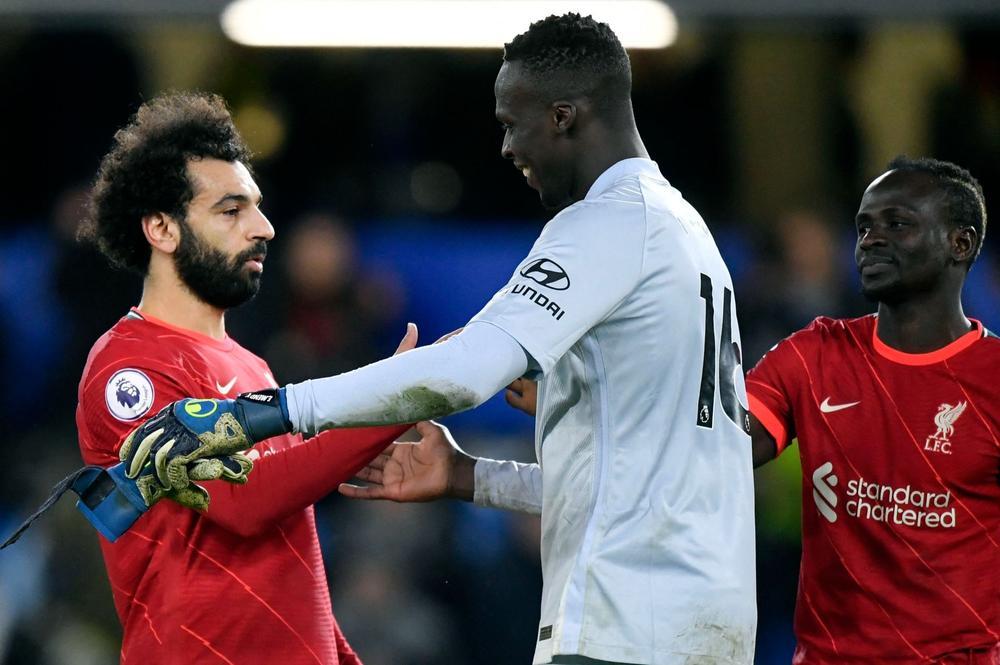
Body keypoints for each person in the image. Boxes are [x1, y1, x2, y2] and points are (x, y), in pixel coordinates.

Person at [126, 14, 758, 665]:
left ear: (563, 116)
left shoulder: (609, 223)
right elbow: (640, 487)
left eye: (512, 123)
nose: (506, 147)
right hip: (694, 620)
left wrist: (266, 411)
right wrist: (468, 476)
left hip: (627, 624)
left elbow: (468, 369)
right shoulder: (686, 233)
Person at [76, 91, 414, 664]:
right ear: (162, 228)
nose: (265, 228)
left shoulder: (251, 366)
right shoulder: (127, 370)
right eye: (231, 211)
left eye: (257, 207)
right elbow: (243, 500)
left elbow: (288, 553)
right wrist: (396, 400)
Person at [746, 157, 999, 663]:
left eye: (897, 224)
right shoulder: (814, 354)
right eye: (864, 227)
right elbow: (714, 444)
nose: (870, 240)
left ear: (960, 243)